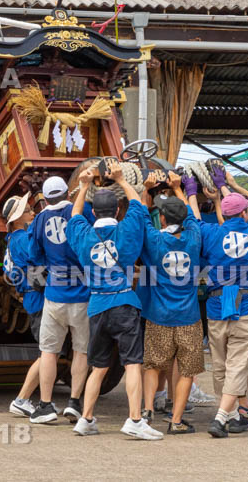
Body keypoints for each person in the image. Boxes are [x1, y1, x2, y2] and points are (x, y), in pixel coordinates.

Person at [66, 161, 163, 441]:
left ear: (93, 212)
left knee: (98, 366)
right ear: (117, 210)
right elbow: (138, 205)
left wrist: (83, 187)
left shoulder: (84, 235)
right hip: (123, 303)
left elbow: (74, 215)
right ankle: (134, 419)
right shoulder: (126, 229)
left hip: (96, 307)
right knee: (132, 363)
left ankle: (85, 418)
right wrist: (122, 180)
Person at [184, 172, 248, 438]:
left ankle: (231, 413)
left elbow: (195, 220)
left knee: (220, 364)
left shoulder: (212, 233)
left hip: (217, 306)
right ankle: (221, 417)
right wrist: (223, 187)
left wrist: (191, 193)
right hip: (247, 305)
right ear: (244, 215)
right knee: (239, 363)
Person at [24, 175, 92, 425]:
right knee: (81, 351)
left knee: (49, 352)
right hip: (83, 293)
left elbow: (34, 256)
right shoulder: (81, 210)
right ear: (67, 193)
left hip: (54, 294)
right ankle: (74, 402)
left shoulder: (39, 220)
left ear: (45, 197)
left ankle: (45, 405)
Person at [139, 176, 204, 435]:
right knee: (187, 369)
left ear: (163, 219)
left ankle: (147, 411)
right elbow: (193, 219)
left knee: (153, 365)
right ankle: (176, 420)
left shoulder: (154, 240)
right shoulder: (195, 239)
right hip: (188, 316)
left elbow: (142, 216)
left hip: (159, 315)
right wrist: (179, 187)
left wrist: (145, 189)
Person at [1, 192, 46, 418]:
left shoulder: (12, 240)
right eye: (28, 211)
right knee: (46, 353)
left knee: (48, 352)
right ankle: (22, 398)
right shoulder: (21, 239)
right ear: (18, 219)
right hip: (37, 298)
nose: (33, 212)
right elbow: (37, 264)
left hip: (30, 297)